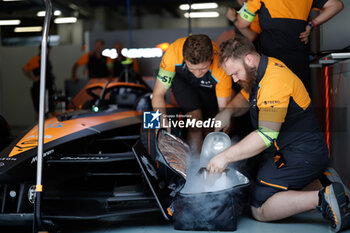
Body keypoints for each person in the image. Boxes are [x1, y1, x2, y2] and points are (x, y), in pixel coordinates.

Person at [207, 36, 350, 232]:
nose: (234, 79)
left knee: (260, 207)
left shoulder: (274, 81)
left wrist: (225, 156)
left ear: (248, 59)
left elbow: (265, 136)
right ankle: (323, 181)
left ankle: (323, 197)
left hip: (301, 153)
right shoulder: (259, 72)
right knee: (258, 183)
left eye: (235, 73)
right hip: (288, 151)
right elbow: (245, 97)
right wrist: (229, 111)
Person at [233, 0, 344, 92]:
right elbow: (337, 5)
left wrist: (238, 14)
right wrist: (311, 24)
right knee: (300, 102)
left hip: (272, 61)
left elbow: (242, 23)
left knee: (274, 105)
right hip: (299, 61)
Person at [152, 34, 233, 155]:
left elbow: (224, 112)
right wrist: (162, 118)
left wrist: (220, 139)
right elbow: (158, 94)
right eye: (192, 68)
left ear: (211, 58)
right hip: (182, 80)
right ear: (184, 58)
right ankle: (196, 166)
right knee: (195, 123)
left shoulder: (221, 66)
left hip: (210, 82)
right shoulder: (173, 53)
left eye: (202, 68)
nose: (197, 73)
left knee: (211, 126)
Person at [23, 44, 55, 118]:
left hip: (48, 88)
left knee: (49, 110)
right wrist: (33, 78)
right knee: (39, 111)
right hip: (38, 89)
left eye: (49, 49)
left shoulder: (47, 59)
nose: (48, 51)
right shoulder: (36, 59)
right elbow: (25, 69)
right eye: (47, 49)